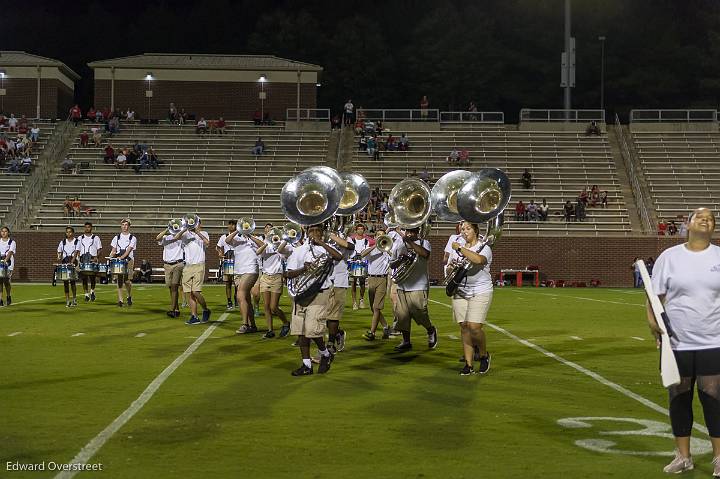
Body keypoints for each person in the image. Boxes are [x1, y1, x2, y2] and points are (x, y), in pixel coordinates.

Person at [646, 207, 720, 476]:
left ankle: (719, 458)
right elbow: (654, 297)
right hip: (677, 342)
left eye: (711, 219)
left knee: (713, 396)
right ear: (687, 224)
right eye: (700, 217)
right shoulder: (670, 257)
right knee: (679, 396)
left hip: (713, 339)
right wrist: (654, 325)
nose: (706, 220)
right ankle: (683, 456)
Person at [285, 223, 343, 376]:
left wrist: (322, 243)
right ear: (306, 232)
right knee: (301, 331)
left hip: (320, 293)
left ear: (323, 233)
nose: (315, 233)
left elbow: (339, 257)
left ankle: (324, 353)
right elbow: (288, 274)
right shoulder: (298, 251)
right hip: (301, 294)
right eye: (312, 230)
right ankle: (307, 365)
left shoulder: (327, 248)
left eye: (318, 231)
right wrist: (304, 269)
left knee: (312, 330)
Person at [448, 221, 493, 375]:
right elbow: (450, 268)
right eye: (462, 229)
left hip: (480, 291)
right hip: (460, 291)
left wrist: (460, 248)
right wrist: (451, 267)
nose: (464, 232)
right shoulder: (457, 249)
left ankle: (483, 354)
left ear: (475, 231)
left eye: (468, 229)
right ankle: (468, 364)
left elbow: (478, 260)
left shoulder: (484, 247)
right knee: (464, 327)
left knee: (474, 327)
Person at [390, 227, 438, 352]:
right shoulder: (399, 245)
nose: (410, 234)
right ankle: (406, 341)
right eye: (408, 232)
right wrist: (400, 259)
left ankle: (430, 329)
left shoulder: (424, 243)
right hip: (402, 285)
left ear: (417, 232)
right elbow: (391, 264)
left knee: (420, 313)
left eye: (413, 232)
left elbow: (425, 254)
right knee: (402, 315)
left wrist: (410, 242)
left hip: (419, 285)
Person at [249, 231, 293, 338]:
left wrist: (281, 242)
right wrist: (266, 243)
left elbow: (282, 251)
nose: (274, 238)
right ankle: (270, 330)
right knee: (266, 306)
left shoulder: (283, 248)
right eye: (272, 237)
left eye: (276, 236)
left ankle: (286, 323)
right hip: (265, 277)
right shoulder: (267, 247)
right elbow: (258, 252)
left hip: (277, 277)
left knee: (274, 307)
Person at [224, 225, 260, 334]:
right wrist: (237, 231)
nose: (245, 228)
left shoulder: (257, 238)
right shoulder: (237, 240)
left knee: (240, 295)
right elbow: (227, 240)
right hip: (238, 271)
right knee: (246, 299)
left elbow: (263, 245)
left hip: (251, 269)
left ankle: (245, 324)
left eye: (247, 227)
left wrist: (250, 236)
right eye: (244, 227)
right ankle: (252, 325)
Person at [175, 220, 211, 325]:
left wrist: (197, 232)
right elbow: (176, 237)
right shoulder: (185, 234)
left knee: (196, 292)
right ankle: (194, 316)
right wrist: (185, 228)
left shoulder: (204, 233)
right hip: (187, 266)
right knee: (189, 293)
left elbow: (207, 243)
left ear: (200, 224)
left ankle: (205, 309)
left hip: (199, 264)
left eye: (195, 223)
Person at [360, 226, 392, 340]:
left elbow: (395, 257)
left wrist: (387, 249)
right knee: (373, 308)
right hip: (371, 279)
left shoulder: (388, 249)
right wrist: (375, 245)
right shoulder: (371, 248)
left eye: (382, 235)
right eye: (378, 235)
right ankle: (386, 327)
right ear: (375, 237)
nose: (380, 236)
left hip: (382, 280)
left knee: (376, 308)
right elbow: (362, 255)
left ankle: (372, 333)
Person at [157, 224, 185, 318]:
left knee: (174, 285)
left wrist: (180, 230)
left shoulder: (181, 237)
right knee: (170, 287)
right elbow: (157, 238)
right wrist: (166, 230)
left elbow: (176, 238)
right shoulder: (165, 237)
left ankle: (172, 310)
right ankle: (176, 309)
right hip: (167, 265)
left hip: (178, 264)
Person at [110, 219, 137, 307]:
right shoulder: (116, 237)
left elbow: (128, 251)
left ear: (129, 226)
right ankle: (120, 300)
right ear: (121, 226)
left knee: (127, 281)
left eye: (126, 225)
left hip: (128, 260)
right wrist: (111, 255)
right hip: (118, 261)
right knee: (119, 280)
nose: (124, 226)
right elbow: (114, 250)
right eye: (123, 225)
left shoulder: (132, 238)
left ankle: (129, 296)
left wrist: (121, 257)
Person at [216, 220, 238, 311]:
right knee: (228, 282)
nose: (231, 226)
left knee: (237, 282)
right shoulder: (223, 237)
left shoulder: (239, 236)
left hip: (238, 261)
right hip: (228, 260)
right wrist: (220, 253)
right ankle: (229, 301)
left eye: (233, 225)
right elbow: (218, 246)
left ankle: (236, 298)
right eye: (230, 224)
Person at [78, 222, 102, 302]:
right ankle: (86, 295)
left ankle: (92, 291)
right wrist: (78, 259)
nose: (87, 228)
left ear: (91, 228)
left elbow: (99, 249)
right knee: (84, 278)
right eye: (86, 227)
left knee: (92, 277)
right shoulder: (80, 238)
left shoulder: (96, 238)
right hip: (83, 258)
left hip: (92, 258)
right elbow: (77, 249)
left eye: (88, 227)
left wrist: (96, 257)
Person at [57, 226, 80, 308]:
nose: (68, 233)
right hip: (65, 262)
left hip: (72, 262)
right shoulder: (62, 242)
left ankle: (74, 299)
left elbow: (76, 253)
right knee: (65, 282)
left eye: (70, 232)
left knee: (73, 282)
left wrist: (72, 262)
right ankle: (67, 300)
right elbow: (59, 251)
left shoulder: (77, 241)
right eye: (67, 232)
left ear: (73, 233)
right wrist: (59, 256)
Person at [350, 224, 369, 310]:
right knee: (353, 282)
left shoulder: (366, 241)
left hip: (362, 263)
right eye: (359, 229)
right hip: (353, 262)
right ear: (356, 230)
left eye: (362, 229)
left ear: (364, 230)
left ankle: (361, 299)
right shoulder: (352, 240)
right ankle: (354, 302)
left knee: (362, 283)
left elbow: (366, 251)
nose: (360, 230)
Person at [0, 226, 16, 306]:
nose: (3, 233)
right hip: (0, 263)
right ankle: (0, 299)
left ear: (8, 233)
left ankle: (8, 296)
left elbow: (10, 253)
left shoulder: (12, 242)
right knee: (0, 281)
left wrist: (5, 260)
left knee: (6, 281)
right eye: (2, 231)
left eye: (5, 231)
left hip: (8, 264)